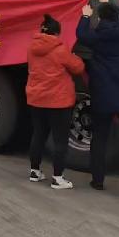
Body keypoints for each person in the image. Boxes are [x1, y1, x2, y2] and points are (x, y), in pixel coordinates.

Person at [76, 0, 119, 202]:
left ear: (99, 19)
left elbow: (80, 34)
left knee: (100, 139)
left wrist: (85, 15)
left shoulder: (96, 37)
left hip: (104, 95)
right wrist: (108, 3)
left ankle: (98, 180)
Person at [26, 14, 85, 189]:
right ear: (57, 33)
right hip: (58, 102)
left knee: (38, 135)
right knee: (60, 140)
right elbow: (78, 68)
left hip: (36, 99)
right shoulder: (60, 50)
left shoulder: (32, 48)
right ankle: (58, 178)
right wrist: (76, 57)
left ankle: (34, 171)